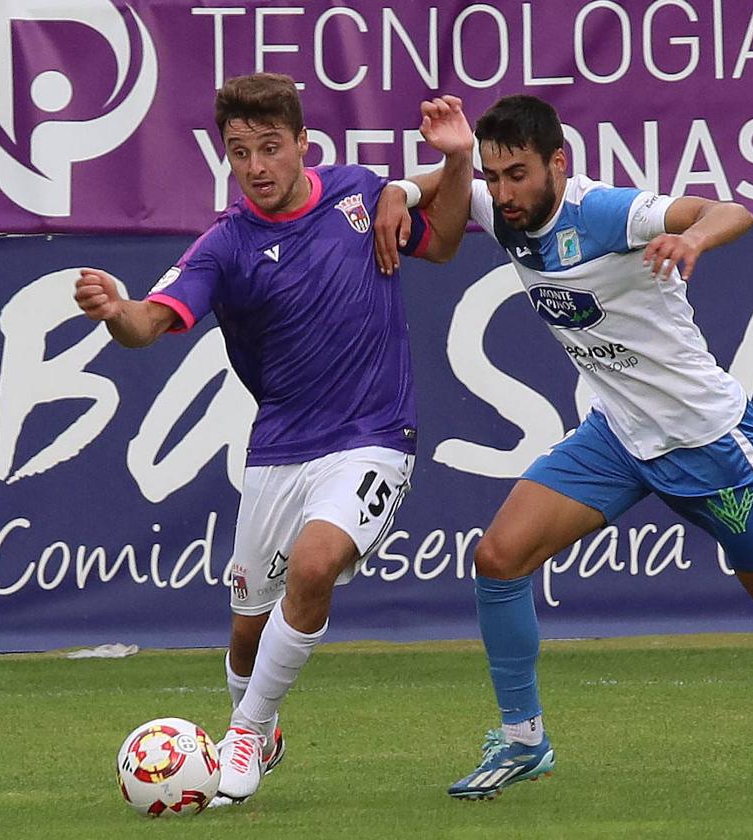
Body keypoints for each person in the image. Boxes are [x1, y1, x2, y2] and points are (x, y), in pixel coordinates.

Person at [377, 94, 753, 799]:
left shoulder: (606, 213)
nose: (502, 193)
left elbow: (731, 211)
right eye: (495, 175)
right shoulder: (503, 209)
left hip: (705, 441)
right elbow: (445, 193)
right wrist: (402, 186)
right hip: (617, 435)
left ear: (558, 165)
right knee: (498, 559)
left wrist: (692, 239)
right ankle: (523, 738)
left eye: (518, 175)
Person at [74, 73, 475, 805]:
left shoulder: (359, 194)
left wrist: (449, 164)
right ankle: (253, 722)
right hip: (279, 450)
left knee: (315, 568)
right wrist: (115, 310)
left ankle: (250, 732)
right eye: (239, 152)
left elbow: (445, 243)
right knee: (247, 631)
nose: (255, 166)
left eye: (269, 147)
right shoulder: (224, 248)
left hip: (375, 436)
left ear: (302, 146)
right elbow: (146, 328)